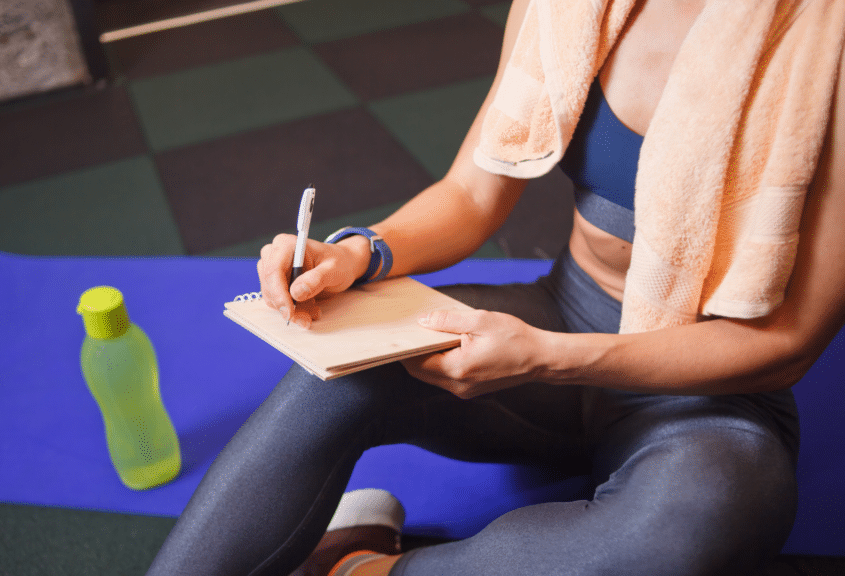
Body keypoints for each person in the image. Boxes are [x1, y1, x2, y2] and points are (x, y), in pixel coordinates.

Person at [146, 0, 845, 574]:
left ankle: (361, 567)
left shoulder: (829, 37)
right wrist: (363, 252)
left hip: (711, 392)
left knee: (698, 524)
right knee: (336, 374)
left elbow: (789, 344)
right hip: (565, 313)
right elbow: (472, 196)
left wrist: (547, 357)